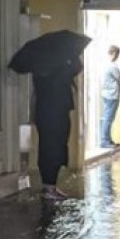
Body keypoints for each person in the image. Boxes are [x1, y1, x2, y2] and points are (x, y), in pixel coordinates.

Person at [33, 57, 82, 201]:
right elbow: (77, 67)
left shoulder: (41, 71)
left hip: (48, 113)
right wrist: (72, 54)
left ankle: (50, 185)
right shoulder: (57, 71)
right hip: (54, 114)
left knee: (51, 148)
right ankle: (49, 186)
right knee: (52, 149)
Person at [100, 45, 120, 148]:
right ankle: (104, 141)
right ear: (113, 54)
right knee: (108, 118)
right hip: (112, 95)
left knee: (107, 117)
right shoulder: (112, 66)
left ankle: (108, 139)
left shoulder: (105, 65)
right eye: (116, 54)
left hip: (106, 94)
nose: (117, 56)